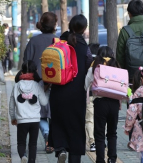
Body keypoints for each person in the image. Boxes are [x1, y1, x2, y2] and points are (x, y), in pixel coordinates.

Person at [49, 14, 93, 163]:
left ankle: (60, 148)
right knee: (76, 127)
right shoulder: (83, 47)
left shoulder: (59, 41)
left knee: (58, 123)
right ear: (84, 29)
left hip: (57, 93)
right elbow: (89, 67)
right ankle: (74, 159)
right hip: (76, 94)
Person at [23, 12, 57, 153]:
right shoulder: (58, 41)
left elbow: (26, 64)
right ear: (54, 25)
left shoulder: (33, 41)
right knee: (54, 114)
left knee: (39, 114)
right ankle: (54, 141)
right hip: (56, 84)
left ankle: (47, 134)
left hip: (37, 84)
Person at [9, 60, 50, 163]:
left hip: (22, 120)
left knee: (21, 143)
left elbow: (11, 105)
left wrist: (13, 118)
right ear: (35, 71)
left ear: (22, 72)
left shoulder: (16, 86)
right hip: (35, 120)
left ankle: (23, 156)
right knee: (33, 144)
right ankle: (31, 161)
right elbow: (44, 102)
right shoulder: (37, 86)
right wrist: (48, 92)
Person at [85, 46, 119, 163]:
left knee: (99, 134)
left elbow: (86, 86)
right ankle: (112, 158)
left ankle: (100, 160)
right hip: (114, 103)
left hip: (100, 103)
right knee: (112, 132)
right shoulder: (116, 67)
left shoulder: (94, 68)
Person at [85, 43, 100, 152]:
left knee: (89, 120)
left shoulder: (88, 65)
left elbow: (86, 85)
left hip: (89, 96)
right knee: (100, 120)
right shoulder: (102, 65)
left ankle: (92, 142)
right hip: (101, 97)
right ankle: (101, 141)